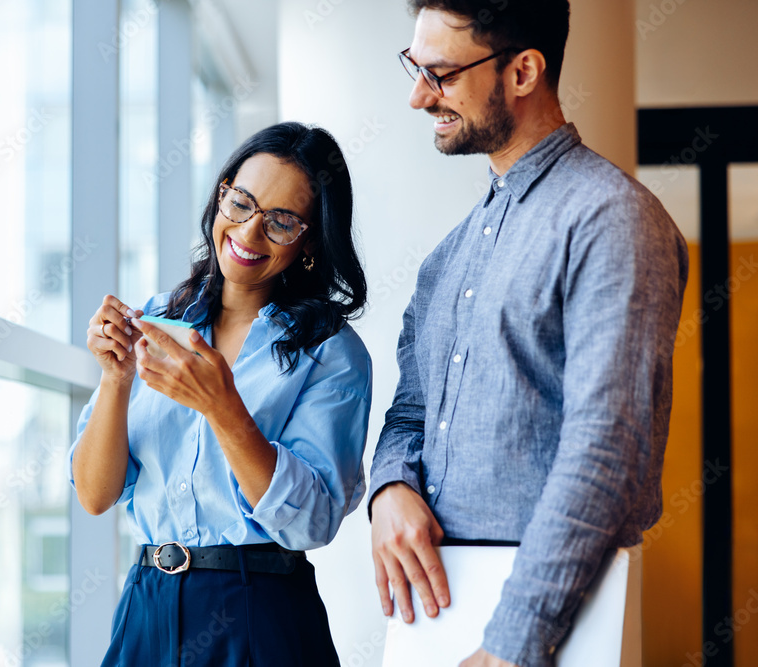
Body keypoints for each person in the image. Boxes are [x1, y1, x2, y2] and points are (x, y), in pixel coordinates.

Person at [368, 2, 689, 666]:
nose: (417, 97)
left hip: (544, 631)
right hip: (435, 615)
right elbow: (411, 409)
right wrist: (390, 486)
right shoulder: (447, 257)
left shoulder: (613, 219)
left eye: (441, 73)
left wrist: (513, 642)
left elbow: (607, 450)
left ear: (523, 72)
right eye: (414, 67)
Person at [70, 122, 372, 666]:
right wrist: (115, 378)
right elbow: (94, 495)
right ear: (222, 193)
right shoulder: (160, 319)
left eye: (281, 221)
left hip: (258, 611)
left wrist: (221, 406)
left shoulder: (332, 353)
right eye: (242, 203)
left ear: (310, 240)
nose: (250, 233)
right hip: (146, 603)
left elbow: (312, 522)